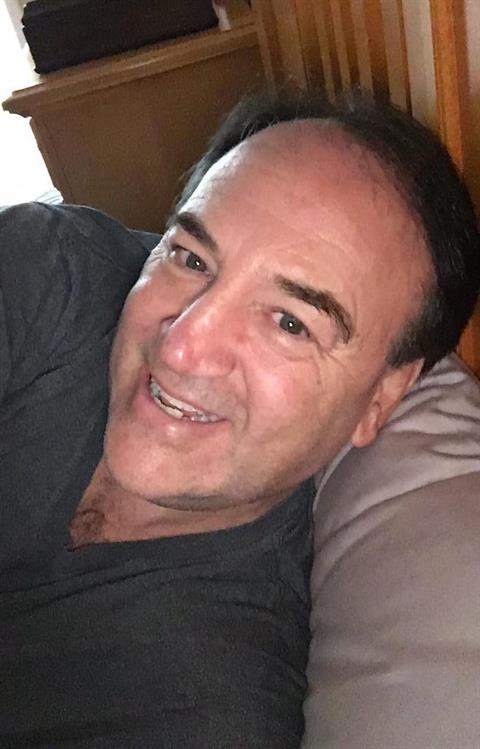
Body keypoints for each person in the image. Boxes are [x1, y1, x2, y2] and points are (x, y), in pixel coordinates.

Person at [1, 91, 479, 748]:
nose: (180, 346)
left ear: (380, 399)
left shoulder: (212, 705)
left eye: (290, 322)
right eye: (191, 259)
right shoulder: (49, 271)